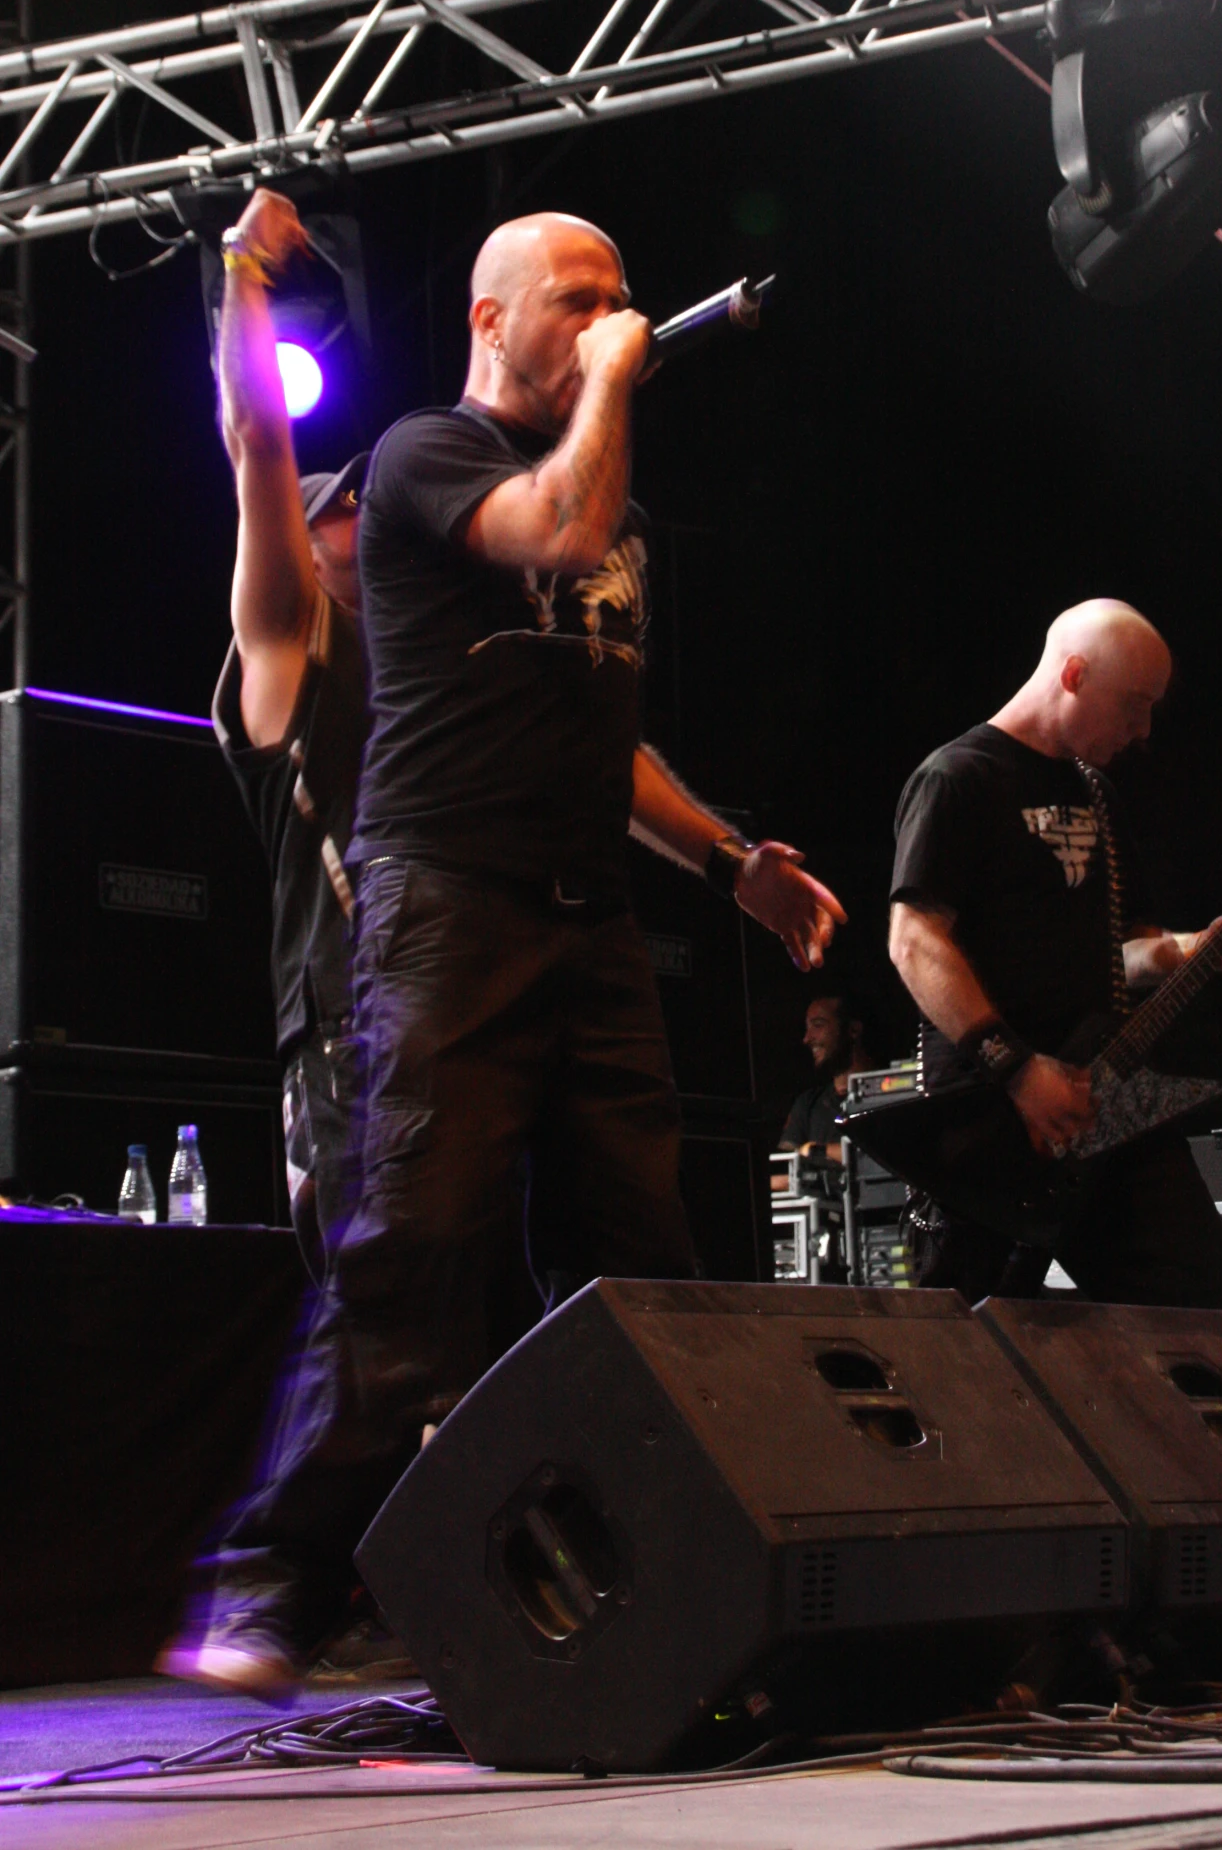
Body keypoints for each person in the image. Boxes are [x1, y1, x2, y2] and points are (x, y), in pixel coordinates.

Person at [162, 210, 844, 1690]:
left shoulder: (610, 517)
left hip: (581, 912)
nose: (614, 317)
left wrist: (728, 860)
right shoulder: (413, 465)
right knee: (408, 1262)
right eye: (577, 299)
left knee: (637, 1268)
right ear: (489, 318)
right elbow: (266, 447)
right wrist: (240, 279)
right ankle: (278, 1582)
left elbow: (607, 728)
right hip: (435, 918)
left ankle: (656, 1583)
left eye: (620, 295)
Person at [886, 597, 1222, 1306]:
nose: (1142, 729)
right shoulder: (958, 778)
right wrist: (1016, 1068)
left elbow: (1120, 955)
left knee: (1220, 1322)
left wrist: (1196, 949)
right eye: (1132, 705)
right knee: (974, 1355)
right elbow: (912, 942)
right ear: (1071, 674)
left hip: (1099, 1105)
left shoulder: (1096, 793)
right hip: (993, 1122)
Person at [209, 185, 368, 1283]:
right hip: (346, 1041)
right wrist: (246, 275)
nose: (369, 512)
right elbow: (259, 436)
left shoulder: (423, 650)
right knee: (374, 1348)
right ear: (302, 545)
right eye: (344, 505)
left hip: (451, 1020)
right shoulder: (287, 637)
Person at [773, 988, 879, 1186]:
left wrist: (814, 1151)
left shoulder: (886, 1092)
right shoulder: (808, 1104)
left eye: (818, 1025)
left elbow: (884, 1157)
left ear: (853, 1030)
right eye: (807, 1028)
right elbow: (784, 1169)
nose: (807, 1038)